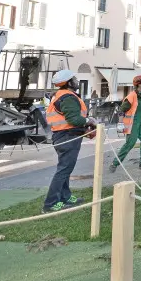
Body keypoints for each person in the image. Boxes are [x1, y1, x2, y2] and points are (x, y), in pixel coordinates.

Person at [42, 69, 97, 213]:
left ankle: (65, 196)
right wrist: (89, 121)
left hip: (64, 136)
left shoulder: (62, 95)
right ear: (68, 82)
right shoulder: (67, 97)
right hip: (67, 137)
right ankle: (50, 203)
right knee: (64, 170)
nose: (77, 81)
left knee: (65, 169)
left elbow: (68, 120)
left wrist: (83, 129)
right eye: (74, 79)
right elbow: (74, 119)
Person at [109, 73, 141, 172]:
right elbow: (121, 111)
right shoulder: (131, 96)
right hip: (132, 125)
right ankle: (114, 163)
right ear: (139, 84)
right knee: (129, 144)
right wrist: (120, 124)